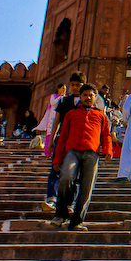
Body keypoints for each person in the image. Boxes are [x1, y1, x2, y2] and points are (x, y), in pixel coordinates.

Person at [51, 83, 112, 231]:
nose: (88, 97)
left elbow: (106, 135)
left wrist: (108, 151)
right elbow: (63, 137)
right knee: (66, 176)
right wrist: (57, 159)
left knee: (86, 187)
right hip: (72, 151)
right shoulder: (71, 114)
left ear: (95, 97)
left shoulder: (100, 115)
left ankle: (77, 220)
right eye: (85, 95)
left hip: (91, 152)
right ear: (81, 96)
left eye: (91, 95)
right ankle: (61, 213)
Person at [44, 72, 86, 211]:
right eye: (73, 85)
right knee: (55, 168)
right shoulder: (64, 101)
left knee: (76, 173)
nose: (75, 88)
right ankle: (51, 199)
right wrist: (51, 140)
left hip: (78, 141)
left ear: (83, 85)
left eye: (78, 85)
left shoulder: (86, 102)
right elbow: (57, 120)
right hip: (62, 139)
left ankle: (70, 202)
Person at [36, 83, 67, 156]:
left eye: (65, 89)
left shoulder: (65, 98)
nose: (64, 90)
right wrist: (60, 97)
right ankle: (47, 152)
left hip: (60, 117)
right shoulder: (54, 96)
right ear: (58, 89)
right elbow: (52, 103)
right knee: (50, 133)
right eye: (62, 88)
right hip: (52, 117)